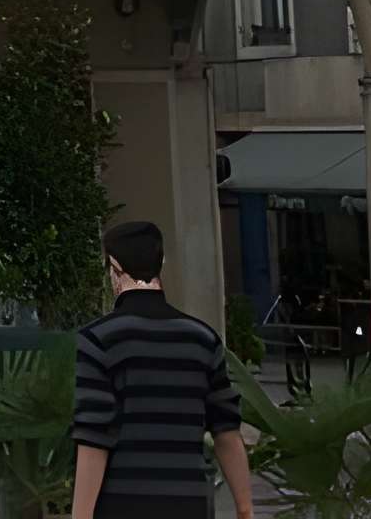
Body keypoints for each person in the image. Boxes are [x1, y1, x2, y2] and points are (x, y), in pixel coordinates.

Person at [72, 220, 252, 519]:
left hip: (122, 502)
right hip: (190, 501)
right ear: (160, 264)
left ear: (114, 267)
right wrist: (245, 509)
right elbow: (227, 432)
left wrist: (81, 516)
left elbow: (94, 436)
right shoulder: (203, 339)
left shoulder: (97, 340)